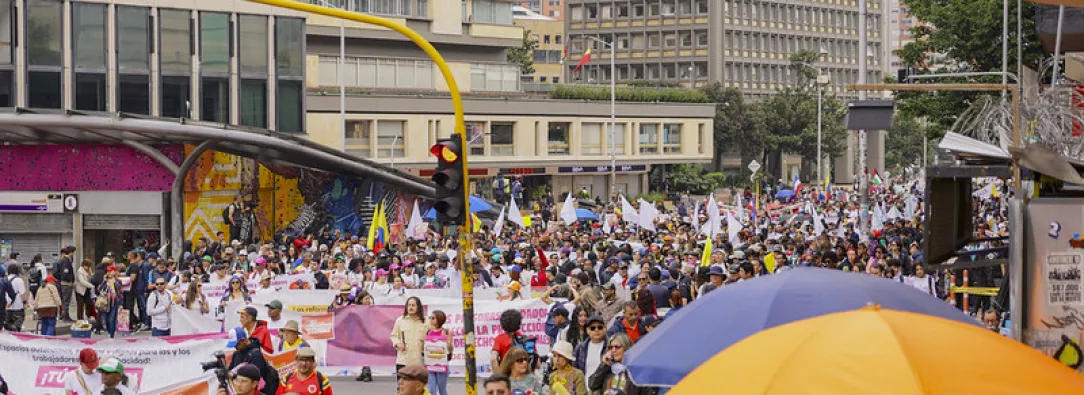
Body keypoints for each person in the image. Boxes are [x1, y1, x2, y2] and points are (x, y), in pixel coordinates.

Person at [589, 333, 654, 395]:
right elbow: (592, 385)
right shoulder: (608, 368)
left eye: (617, 347)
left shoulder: (637, 371)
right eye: (611, 347)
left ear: (626, 348)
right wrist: (604, 365)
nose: (613, 350)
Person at [225, 326, 279, 395]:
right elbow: (230, 370)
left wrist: (234, 376)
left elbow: (254, 378)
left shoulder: (256, 355)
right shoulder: (236, 354)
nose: (235, 347)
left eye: (236, 344)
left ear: (243, 340)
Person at [391, 296, 427, 375]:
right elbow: (394, 336)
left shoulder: (426, 321)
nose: (410, 307)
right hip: (403, 361)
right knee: (402, 383)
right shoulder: (400, 320)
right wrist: (397, 343)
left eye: (413, 305)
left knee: (418, 383)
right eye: (409, 305)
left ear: (418, 307)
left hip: (419, 362)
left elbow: (434, 334)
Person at [423, 310, 453, 395]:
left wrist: (448, 342)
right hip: (430, 364)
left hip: (441, 364)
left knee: (442, 389)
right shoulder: (428, 332)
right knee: (431, 390)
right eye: (430, 318)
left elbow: (450, 349)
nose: (431, 320)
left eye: (433, 318)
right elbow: (425, 347)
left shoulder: (446, 332)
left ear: (439, 319)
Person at [572, 315, 607, 380]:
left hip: (604, 385)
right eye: (593, 328)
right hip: (584, 385)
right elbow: (574, 369)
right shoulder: (580, 348)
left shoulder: (611, 347)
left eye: (600, 327)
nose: (596, 330)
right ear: (588, 330)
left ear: (604, 329)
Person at [97, 266, 123, 338]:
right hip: (106, 303)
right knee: (106, 320)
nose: (108, 273)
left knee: (112, 319)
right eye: (107, 271)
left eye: (110, 271)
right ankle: (109, 331)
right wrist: (104, 281)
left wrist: (121, 304)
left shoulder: (118, 281)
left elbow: (121, 293)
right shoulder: (105, 281)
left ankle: (112, 335)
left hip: (115, 302)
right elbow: (99, 289)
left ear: (114, 272)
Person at [55, 246, 76, 322]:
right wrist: (70, 281)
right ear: (70, 253)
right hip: (66, 284)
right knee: (66, 301)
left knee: (65, 301)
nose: (73, 254)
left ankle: (66, 316)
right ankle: (65, 317)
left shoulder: (65, 260)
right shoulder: (66, 261)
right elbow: (65, 273)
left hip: (65, 283)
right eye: (73, 252)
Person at [4, 263, 26, 331]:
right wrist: (25, 303)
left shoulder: (5, 279)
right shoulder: (19, 280)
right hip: (17, 307)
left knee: (8, 328)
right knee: (17, 326)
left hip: (7, 306)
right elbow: (22, 294)